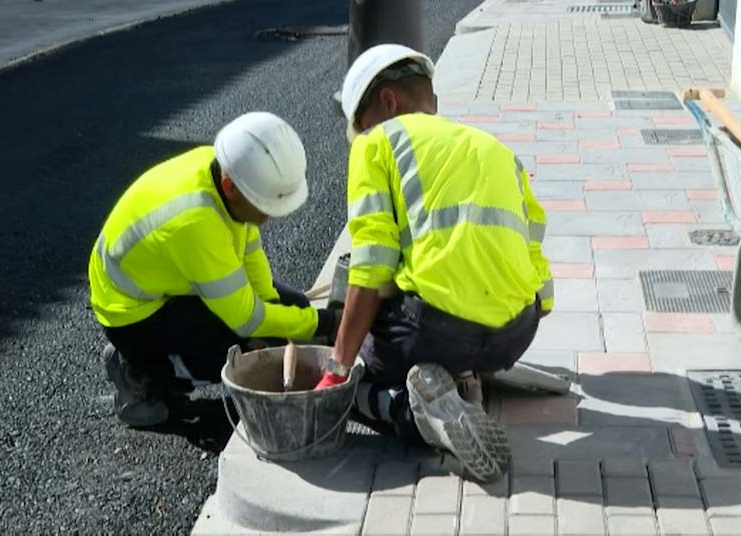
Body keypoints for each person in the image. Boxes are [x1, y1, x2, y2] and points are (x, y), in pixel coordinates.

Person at [315, 45, 553, 482]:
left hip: (433, 332)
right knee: (441, 311)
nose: (362, 134)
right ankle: (465, 382)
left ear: (387, 102)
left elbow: (371, 264)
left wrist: (337, 368)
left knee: (358, 369)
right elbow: (535, 245)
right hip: (516, 333)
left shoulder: (377, 144)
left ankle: (418, 414)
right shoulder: (496, 149)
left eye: (361, 124)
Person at [90, 112, 339, 428]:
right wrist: (325, 322)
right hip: (130, 310)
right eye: (265, 206)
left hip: (168, 279)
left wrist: (274, 303)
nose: (269, 217)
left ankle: (147, 360)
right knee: (237, 351)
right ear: (230, 186)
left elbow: (249, 245)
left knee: (293, 313)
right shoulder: (196, 221)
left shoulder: (225, 167)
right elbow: (247, 320)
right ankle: (142, 374)